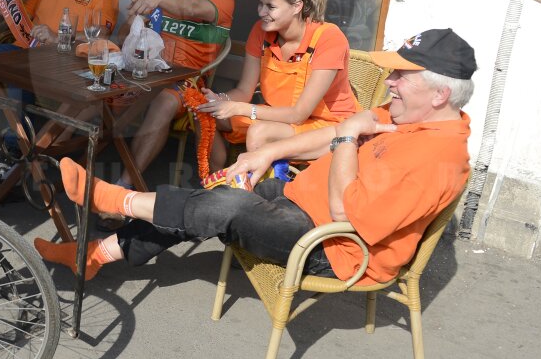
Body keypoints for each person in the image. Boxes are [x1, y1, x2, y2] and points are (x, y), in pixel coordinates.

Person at [35, 28, 476, 285]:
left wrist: (344, 139)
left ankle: (115, 201)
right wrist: (266, 156)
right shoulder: (403, 115)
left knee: (223, 207)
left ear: (440, 95)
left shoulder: (437, 159)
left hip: (335, 245)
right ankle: (95, 255)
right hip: (300, 198)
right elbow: (329, 140)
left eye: (402, 75)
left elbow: (348, 211)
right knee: (216, 192)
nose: (390, 81)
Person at [195, 0, 359, 165]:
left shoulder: (328, 38)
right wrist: (221, 101)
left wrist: (239, 108)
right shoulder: (260, 31)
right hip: (278, 117)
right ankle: (215, 184)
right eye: (260, 4)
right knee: (205, 116)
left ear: (297, 6)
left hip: (328, 126)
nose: (261, 12)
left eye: (270, 7)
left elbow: (299, 114)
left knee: (259, 131)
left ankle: (253, 193)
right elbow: (244, 90)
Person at [117, 0, 236, 185]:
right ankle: (41, 151)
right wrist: (132, 25)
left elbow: (192, 7)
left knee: (166, 100)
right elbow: (125, 36)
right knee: (93, 83)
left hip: (187, 81)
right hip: (145, 72)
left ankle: (125, 185)